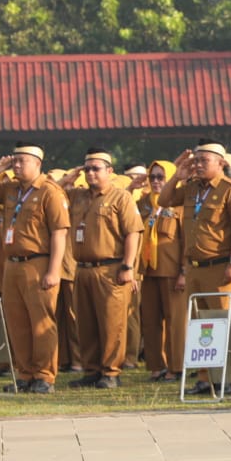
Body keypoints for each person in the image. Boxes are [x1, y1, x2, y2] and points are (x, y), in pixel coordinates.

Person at [0, 144, 70, 394]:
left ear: (38, 163)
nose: (16, 165)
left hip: (38, 263)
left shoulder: (50, 192)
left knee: (41, 323)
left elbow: (59, 233)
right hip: (12, 264)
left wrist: (53, 271)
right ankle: (25, 374)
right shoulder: (10, 189)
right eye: (14, 161)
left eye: (22, 161)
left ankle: (44, 376)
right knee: (17, 323)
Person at [159, 139, 231, 396]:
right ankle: (204, 378)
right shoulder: (191, 188)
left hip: (220, 266)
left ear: (220, 163)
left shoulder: (230, 189)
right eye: (195, 160)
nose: (198, 165)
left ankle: (225, 378)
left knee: (222, 321)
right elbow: (164, 200)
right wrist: (177, 175)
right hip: (195, 267)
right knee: (199, 325)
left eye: (203, 160)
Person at [61, 149, 144, 390]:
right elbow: (52, 190)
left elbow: (133, 233)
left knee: (111, 324)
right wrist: (69, 176)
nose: (90, 173)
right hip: (83, 268)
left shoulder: (121, 197)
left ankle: (111, 372)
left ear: (110, 171)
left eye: (96, 168)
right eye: (87, 169)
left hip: (111, 268)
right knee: (86, 323)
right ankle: (91, 370)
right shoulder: (78, 196)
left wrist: (128, 266)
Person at [137, 160, 183, 381]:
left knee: (174, 321)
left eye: (161, 177)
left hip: (171, 271)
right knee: (150, 320)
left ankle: (176, 366)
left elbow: (185, 239)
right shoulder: (144, 203)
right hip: (148, 270)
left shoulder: (179, 203)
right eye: (152, 177)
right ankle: (157, 366)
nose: (156, 181)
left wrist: (183, 271)